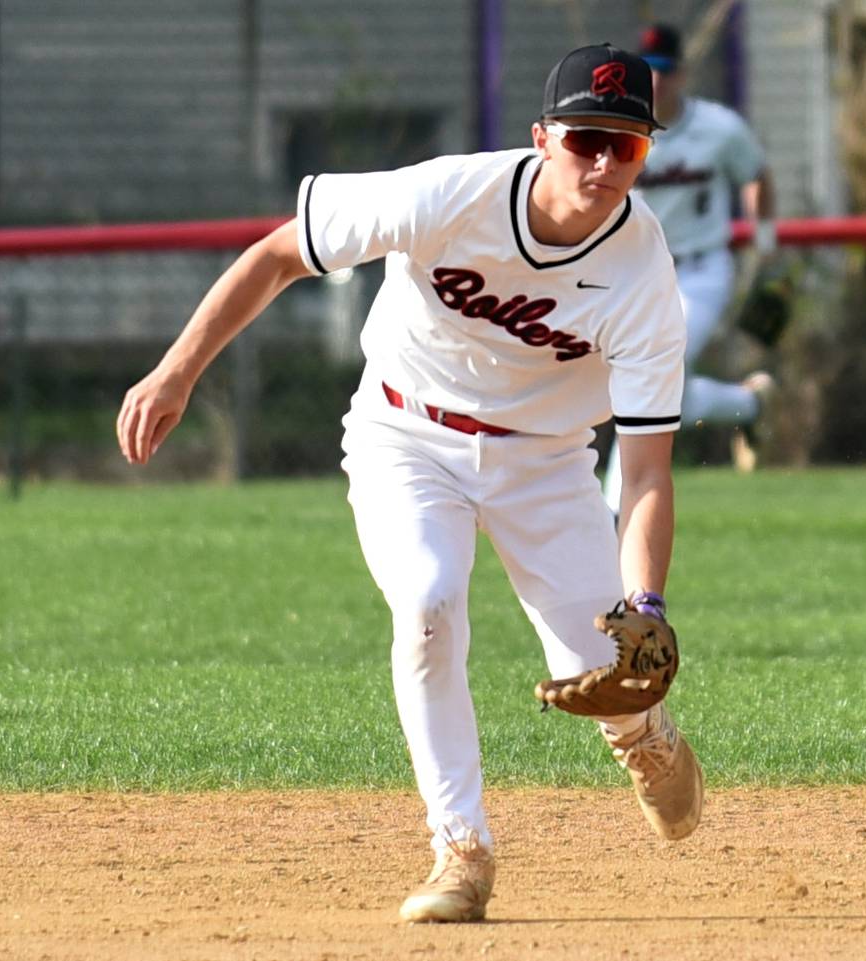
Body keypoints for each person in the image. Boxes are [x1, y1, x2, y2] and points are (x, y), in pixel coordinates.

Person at [115, 43, 703, 924]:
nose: (603, 162)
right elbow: (281, 253)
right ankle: (461, 849)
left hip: (544, 461)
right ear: (543, 137)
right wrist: (177, 370)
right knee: (427, 601)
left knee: (601, 668)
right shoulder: (450, 194)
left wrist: (647, 605)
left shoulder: (642, 269)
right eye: (586, 138)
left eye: (628, 145)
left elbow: (648, 468)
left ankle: (643, 738)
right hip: (407, 434)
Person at [602, 21, 777, 512]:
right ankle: (749, 404)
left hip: (700, 274)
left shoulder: (718, 128)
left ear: (683, 75)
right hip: (635, 274)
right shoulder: (620, 128)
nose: (657, 81)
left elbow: (756, 172)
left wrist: (765, 245)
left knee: (652, 372)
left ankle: (614, 509)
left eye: (666, 71)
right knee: (656, 388)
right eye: (648, 71)